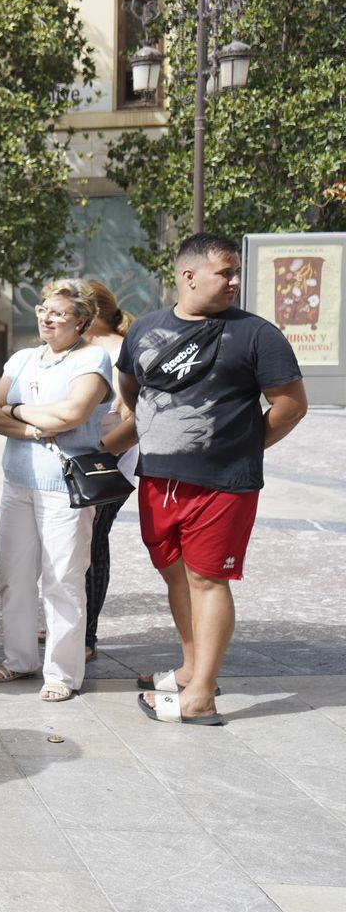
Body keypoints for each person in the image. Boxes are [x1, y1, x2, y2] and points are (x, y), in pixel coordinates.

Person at [114, 234, 306, 725]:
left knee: (207, 579)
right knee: (174, 573)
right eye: (226, 272)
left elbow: (290, 406)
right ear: (189, 275)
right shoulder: (145, 330)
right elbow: (132, 388)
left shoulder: (258, 334)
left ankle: (200, 696)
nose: (236, 282)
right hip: (158, 479)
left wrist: (240, 445)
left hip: (224, 484)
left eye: (236, 272)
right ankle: (192, 668)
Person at [0, 280, 113, 702]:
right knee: (13, 576)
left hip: (65, 487)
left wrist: (17, 411)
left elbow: (74, 414)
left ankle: (61, 673)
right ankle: (20, 659)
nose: (47, 317)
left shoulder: (92, 359)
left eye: (58, 312)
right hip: (19, 482)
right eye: (42, 309)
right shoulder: (22, 359)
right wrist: (34, 425)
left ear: (82, 321)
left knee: (63, 579)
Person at [80, 280, 137, 661]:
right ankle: (70, 619)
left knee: (93, 541)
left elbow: (131, 416)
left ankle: (87, 635)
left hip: (109, 462)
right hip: (81, 460)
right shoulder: (81, 348)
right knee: (75, 542)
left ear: (92, 314)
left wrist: (102, 454)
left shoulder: (118, 351)